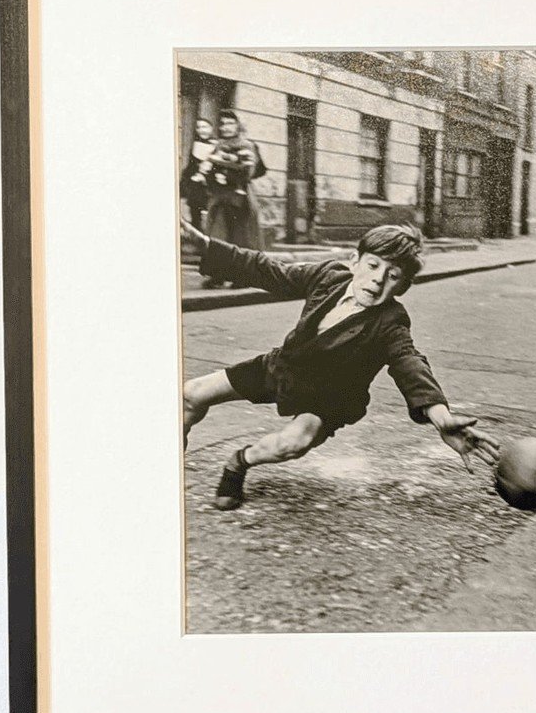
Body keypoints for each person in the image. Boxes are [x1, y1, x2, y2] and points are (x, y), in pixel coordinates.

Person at [179, 219, 494, 511]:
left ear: (402, 286)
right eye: (373, 265)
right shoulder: (328, 276)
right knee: (191, 393)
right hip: (283, 369)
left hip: (327, 399)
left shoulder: (391, 322)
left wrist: (440, 416)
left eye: (393, 275)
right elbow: (269, 270)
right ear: (355, 262)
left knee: (293, 442)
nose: (378, 278)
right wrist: (207, 246)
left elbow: (409, 363)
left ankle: (239, 462)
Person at [202, 110, 266, 283]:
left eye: (230, 123)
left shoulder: (247, 145)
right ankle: (218, 275)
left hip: (240, 198)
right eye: (223, 124)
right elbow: (208, 168)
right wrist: (211, 175)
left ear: (238, 126)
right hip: (220, 198)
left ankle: (241, 276)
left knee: (241, 238)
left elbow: (248, 172)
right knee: (218, 236)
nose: (226, 127)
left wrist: (227, 174)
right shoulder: (218, 145)